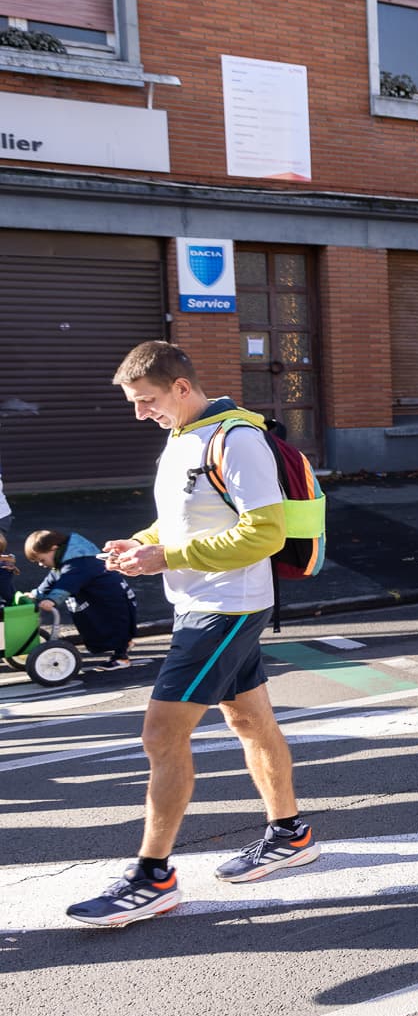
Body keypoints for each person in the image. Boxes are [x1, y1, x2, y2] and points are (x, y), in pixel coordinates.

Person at [66, 342, 317, 928]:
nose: (139, 413)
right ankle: (291, 834)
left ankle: (153, 876)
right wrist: (142, 541)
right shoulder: (182, 437)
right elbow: (185, 517)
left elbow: (267, 533)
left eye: (146, 400)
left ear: (182, 387)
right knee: (249, 719)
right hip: (200, 602)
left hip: (225, 609)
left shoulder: (237, 440)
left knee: (160, 735)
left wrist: (167, 555)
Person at [23, 529, 139, 667]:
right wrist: (37, 594)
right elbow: (52, 579)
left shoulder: (79, 563)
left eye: (41, 560)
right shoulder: (65, 563)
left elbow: (67, 583)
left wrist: (52, 600)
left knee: (113, 625)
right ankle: (124, 644)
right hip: (98, 600)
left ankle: (121, 657)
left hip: (109, 600)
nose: (41, 564)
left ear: (54, 549)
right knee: (100, 626)